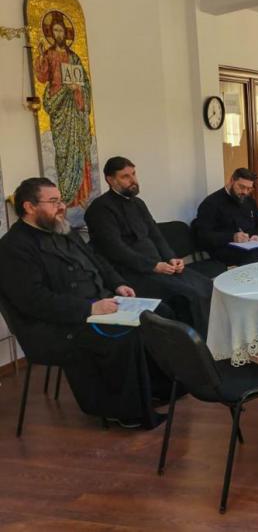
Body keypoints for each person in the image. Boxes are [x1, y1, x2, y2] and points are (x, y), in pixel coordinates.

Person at [0, 178, 172, 429]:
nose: (62, 206)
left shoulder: (62, 228)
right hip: (57, 326)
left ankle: (155, 390)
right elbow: (34, 300)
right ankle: (126, 412)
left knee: (159, 314)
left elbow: (97, 260)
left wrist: (118, 284)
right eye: (53, 201)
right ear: (29, 206)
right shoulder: (13, 248)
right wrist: (89, 309)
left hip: (99, 304)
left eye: (61, 200)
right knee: (126, 336)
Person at [85, 156, 213, 337]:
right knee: (188, 294)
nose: (133, 180)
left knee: (206, 285)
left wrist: (172, 258)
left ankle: (213, 340)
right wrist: (153, 266)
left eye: (133, 174)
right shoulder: (100, 209)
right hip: (132, 273)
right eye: (125, 176)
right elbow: (116, 249)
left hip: (159, 266)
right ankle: (194, 345)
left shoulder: (138, 203)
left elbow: (155, 235)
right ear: (111, 180)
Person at [33, 11, 94, 209]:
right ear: (51, 33)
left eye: (61, 30)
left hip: (74, 108)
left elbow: (85, 83)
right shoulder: (49, 55)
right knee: (63, 152)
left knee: (78, 149)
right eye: (55, 30)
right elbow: (42, 77)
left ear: (65, 33)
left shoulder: (74, 57)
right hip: (59, 106)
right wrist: (40, 57)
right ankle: (66, 195)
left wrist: (79, 89)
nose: (58, 34)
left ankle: (81, 195)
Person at [192, 167, 258, 266]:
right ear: (232, 181)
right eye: (241, 187)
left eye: (249, 189)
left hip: (254, 244)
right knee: (254, 257)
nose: (245, 192)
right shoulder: (211, 203)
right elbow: (203, 235)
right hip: (227, 248)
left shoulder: (249, 200)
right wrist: (232, 237)